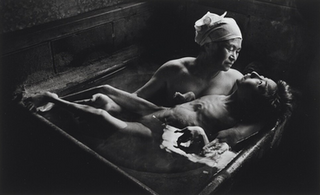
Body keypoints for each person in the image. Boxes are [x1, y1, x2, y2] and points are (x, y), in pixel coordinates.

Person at [24, 71, 294, 154]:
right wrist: (187, 97)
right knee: (105, 91)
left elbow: (225, 139)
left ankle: (51, 99)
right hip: (159, 112)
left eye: (260, 82)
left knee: (103, 116)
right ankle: (56, 102)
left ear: (254, 100)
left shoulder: (237, 118)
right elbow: (195, 104)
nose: (256, 73)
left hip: (158, 134)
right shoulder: (224, 93)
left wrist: (219, 139)